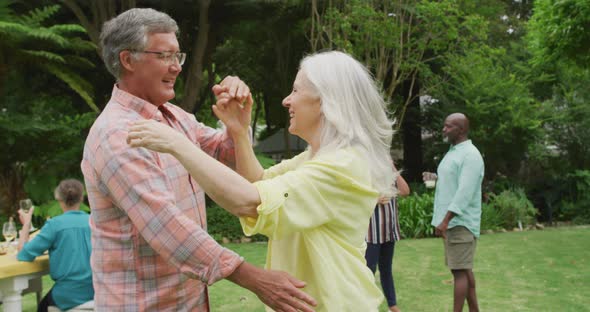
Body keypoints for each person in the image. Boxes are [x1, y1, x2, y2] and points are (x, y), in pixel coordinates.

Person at [81, 8, 315, 312]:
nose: (176, 67)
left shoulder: (174, 117)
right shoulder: (117, 136)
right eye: (165, 56)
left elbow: (224, 155)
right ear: (128, 60)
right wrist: (254, 278)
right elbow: (165, 225)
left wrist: (237, 127)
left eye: (178, 56)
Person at [127, 50, 396, 310]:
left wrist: (178, 144)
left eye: (296, 90)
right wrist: (239, 131)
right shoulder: (316, 158)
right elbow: (257, 183)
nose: (286, 100)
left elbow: (249, 202)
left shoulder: (342, 165)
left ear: (327, 100)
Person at [423, 113, 484, 312]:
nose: (444, 130)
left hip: (460, 223)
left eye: (448, 127)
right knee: (464, 269)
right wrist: (436, 178)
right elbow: (454, 182)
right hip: (452, 223)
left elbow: (464, 193)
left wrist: (446, 220)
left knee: (459, 272)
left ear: (461, 130)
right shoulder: (454, 151)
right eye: (444, 125)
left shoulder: (470, 155)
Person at [17, 179, 94, 312]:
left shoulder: (54, 225)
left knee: (42, 306)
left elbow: (23, 254)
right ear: (82, 198)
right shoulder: (94, 222)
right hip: (95, 291)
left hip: (68, 295)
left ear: (58, 198)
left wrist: (26, 224)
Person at [365, 163, 410, 312]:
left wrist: (393, 168)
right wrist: (374, 199)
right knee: (368, 270)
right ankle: (366, 305)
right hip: (372, 232)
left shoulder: (390, 175)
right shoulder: (365, 170)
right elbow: (354, 196)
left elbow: (405, 191)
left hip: (388, 230)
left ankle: (392, 305)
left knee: (386, 269)